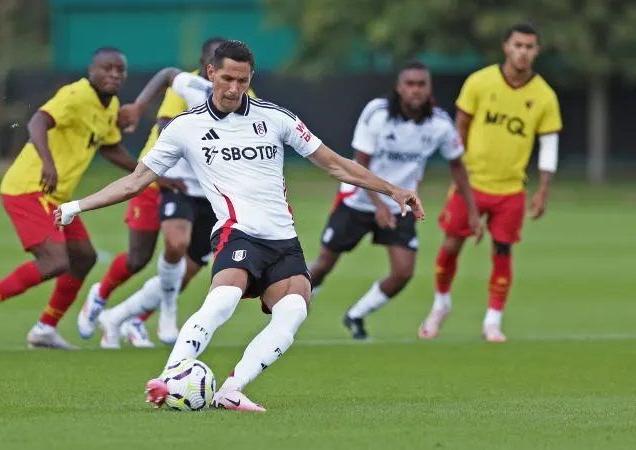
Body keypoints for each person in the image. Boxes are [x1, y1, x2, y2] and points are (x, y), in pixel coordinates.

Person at [55, 40, 424, 411]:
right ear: (211, 73)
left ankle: (232, 389)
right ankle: (168, 380)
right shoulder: (186, 127)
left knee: (294, 313)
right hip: (238, 232)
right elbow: (134, 181)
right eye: (227, 78)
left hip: (284, 240)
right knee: (223, 300)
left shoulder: (276, 118)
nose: (234, 88)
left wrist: (393, 189)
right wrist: (77, 205)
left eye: (242, 80)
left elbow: (335, 164)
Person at [0, 47, 150, 350]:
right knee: (55, 260)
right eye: (107, 68)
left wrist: (149, 171)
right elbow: (37, 122)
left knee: (84, 257)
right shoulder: (76, 95)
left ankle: (45, 329)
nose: (113, 75)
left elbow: (110, 148)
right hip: (29, 187)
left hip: (57, 197)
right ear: (90, 71)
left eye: (119, 70)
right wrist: (47, 161)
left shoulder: (109, 107)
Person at [307, 60, 481, 341]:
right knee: (325, 263)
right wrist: (378, 205)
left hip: (401, 206)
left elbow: (457, 165)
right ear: (399, 87)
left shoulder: (439, 123)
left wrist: (472, 212)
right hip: (358, 200)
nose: (416, 90)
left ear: (429, 88)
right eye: (410, 84)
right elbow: (359, 164)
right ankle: (291, 306)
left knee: (403, 272)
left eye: (421, 84)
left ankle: (356, 315)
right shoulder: (377, 114)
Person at [77, 37, 226, 346]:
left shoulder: (241, 94)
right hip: (161, 180)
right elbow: (166, 128)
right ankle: (100, 295)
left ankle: (132, 319)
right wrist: (140, 107)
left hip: (207, 192)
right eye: (215, 64)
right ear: (204, 65)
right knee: (140, 257)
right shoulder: (191, 87)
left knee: (187, 268)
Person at [419, 23, 562, 342]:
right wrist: (460, 175)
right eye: (518, 45)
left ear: (536, 51)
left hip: (511, 188)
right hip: (472, 183)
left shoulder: (544, 96)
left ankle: (492, 321)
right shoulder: (480, 82)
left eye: (529, 47)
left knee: (502, 251)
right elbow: (462, 128)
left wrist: (543, 190)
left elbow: (549, 144)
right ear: (506, 47)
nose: (523, 52)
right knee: (451, 244)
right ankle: (441, 304)